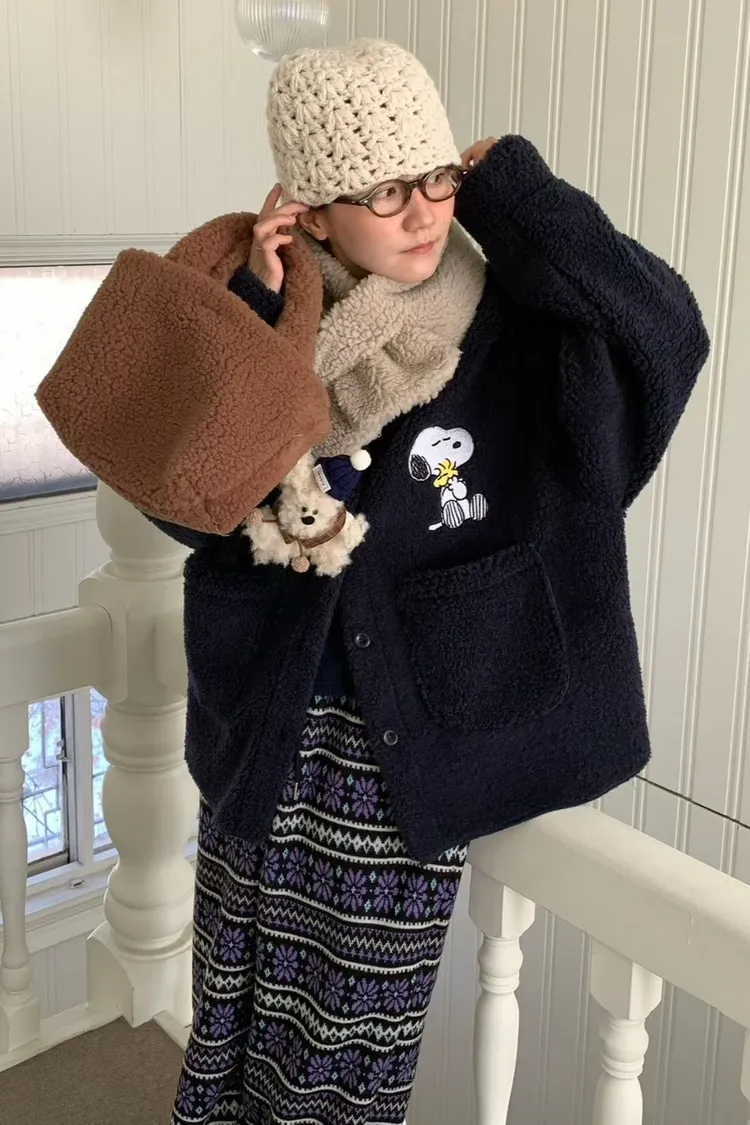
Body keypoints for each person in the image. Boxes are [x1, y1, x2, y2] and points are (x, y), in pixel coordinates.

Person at [36, 38, 709, 1125]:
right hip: (261, 727)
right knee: (230, 1008)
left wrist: (518, 195)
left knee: (343, 1062)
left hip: (399, 756)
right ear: (311, 210)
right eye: (384, 189)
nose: (423, 212)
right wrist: (255, 322)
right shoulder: (271, 317)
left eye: (434, 177)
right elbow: (187, 504)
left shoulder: (514, 327)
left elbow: (666, 336)